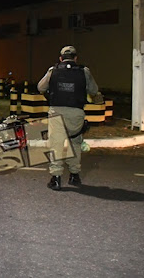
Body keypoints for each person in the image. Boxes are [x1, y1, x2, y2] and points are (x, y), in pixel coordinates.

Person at [37, 45, 99, 191]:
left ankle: (56, 178)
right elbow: (94, 90)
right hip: (76, 112)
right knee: (75, 142)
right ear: (75, 58)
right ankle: (74, 175)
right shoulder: (84, 71)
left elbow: (41, 87)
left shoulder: (53, 70)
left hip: (57, 112)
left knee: (56, 144)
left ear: (61, 58)